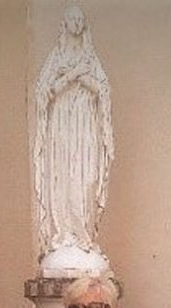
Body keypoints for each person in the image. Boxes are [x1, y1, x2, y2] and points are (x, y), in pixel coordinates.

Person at [34, 4, 114, 267]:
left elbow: (103, 92)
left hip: (85, 129)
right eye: (73, 19)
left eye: (81, 20)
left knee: (86, 179)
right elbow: (44, 93)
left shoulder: (91, 59)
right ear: (65, 23)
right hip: (62, 130)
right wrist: (72, 75)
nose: (77, 24)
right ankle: (65, 234)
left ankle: (83, 235)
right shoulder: (56, 58)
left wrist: (84, 78)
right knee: (63, 178)